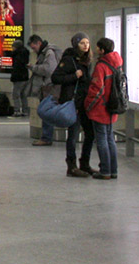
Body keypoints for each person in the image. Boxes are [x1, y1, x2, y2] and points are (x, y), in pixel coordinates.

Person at [51, 33, 94, 177]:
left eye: (87, 43)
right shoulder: (69, 60)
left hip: (85, 103)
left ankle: (85, 163)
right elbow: (55, 77)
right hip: (73, 103)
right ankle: (72, 165)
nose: (85, 46)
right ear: (76, 44)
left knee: (90, 134)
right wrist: (74, 76)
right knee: (73, 135)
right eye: (82, 43)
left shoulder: (87, 60)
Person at [84, 37, 124, 179]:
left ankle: (105, 170)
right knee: (110, 138)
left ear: (102, 49)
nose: (95, 49)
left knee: (101, 139)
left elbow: (96, 89)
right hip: (112, 106)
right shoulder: (117, 63)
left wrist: (87, 105)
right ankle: (113, 170)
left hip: (100, 108)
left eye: (97, 47)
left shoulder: (101, 66)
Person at [27, 34, 59, 146]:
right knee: (46, 111)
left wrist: (33, 68)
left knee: (46, 111)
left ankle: (46, 137)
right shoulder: (45, 52)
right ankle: (46, 136)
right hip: (47, 86)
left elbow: (48, 69)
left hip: (49, 87)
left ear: (39, 43)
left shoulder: (48, 53)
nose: (33, 50)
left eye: (34, 47)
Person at [9, 39, 30, 117]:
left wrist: (13, 77)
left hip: (18, 78)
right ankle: (25, 111)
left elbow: (16, 68)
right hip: (25, 77)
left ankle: (17, 111)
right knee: (23, 95)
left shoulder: (17, 55)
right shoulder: (25, 54)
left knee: (16, 94)